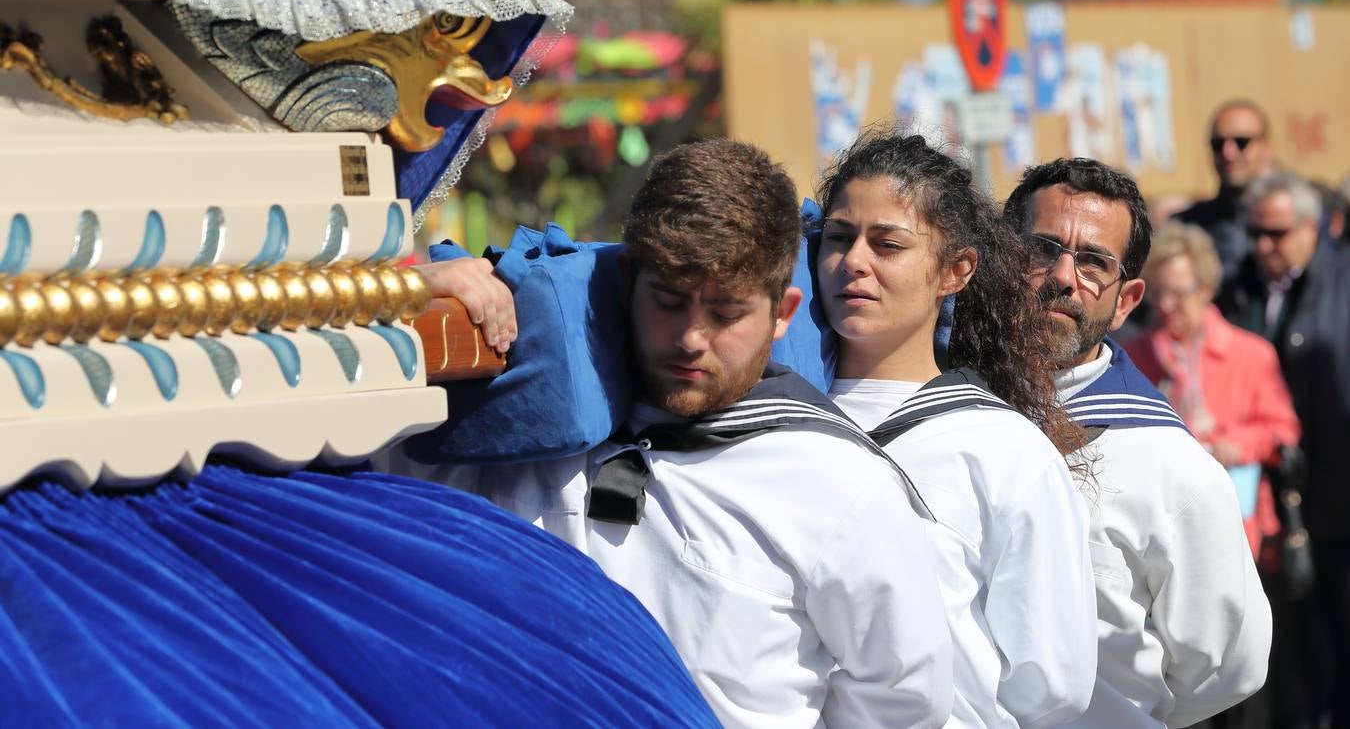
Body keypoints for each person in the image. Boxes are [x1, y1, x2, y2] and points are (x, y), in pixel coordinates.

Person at [401, 138, 956, 729]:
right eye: (668, 301)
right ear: (626, 278)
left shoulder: (844, 487)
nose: (691, 338)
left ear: (783, 312)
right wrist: (411, 299)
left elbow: (902, 703)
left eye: (726, 313)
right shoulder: (510, 424)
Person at [812, 131, 1097, 728]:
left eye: (888, 243)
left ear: (956, 270)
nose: (854, 262)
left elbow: (1052, 685)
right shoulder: (763, 422)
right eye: (838, 238)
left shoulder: (1004, 451)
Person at [1003, 158, 1272, 728]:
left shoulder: (1170, 466)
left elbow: (1229, 666)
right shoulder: (947, 415)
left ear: (1126, 302)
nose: (1063, 276)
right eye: (1042, 249)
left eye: (1095, 262)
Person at [1219, 171, 1350, 729]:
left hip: (1337, 490)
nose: (1263, 246)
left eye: (1276, 233)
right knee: (1288, 642)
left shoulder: (1340, 284)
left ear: (1311, 227)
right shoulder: (1240, 286)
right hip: (1270, 501)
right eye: (1255, 233)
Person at [1125, 221, 1300, 559]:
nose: (1166, 306)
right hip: (1161, 527)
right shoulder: (1134, 357)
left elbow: (1284, 430)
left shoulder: (1250, 353)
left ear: (1206, 288)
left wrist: (1236, 444)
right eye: (1158, 294)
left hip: (1240, 525)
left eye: (1178, 293)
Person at [1175, 100, 1276, 281]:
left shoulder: (1296, 219)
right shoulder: (1186, 226)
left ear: (1266, 148)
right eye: (1218, 143)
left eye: (1241, 142)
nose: (1228, 153)